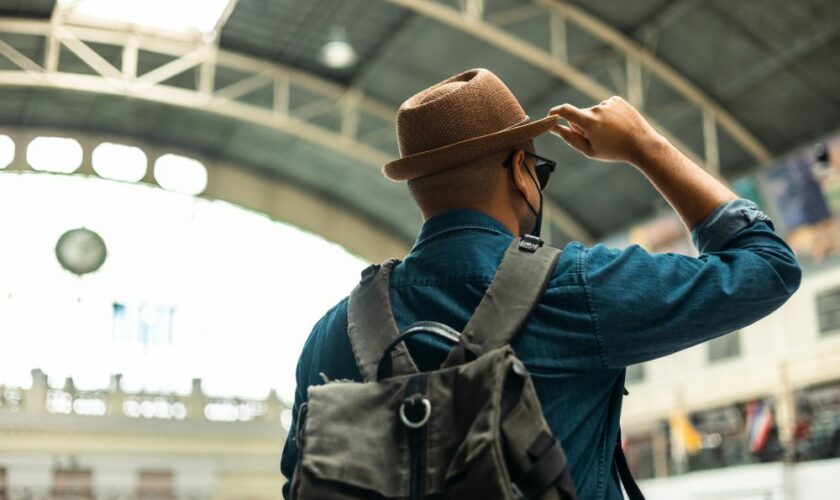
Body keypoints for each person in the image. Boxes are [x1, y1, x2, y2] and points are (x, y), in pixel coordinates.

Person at [280, 68, 801, 499]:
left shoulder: (334, 333)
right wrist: (646, 145)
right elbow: (767, 265)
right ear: (519, 170)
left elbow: (300, 480)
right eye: (539, 171)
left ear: (419, 189)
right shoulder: (575, 288)